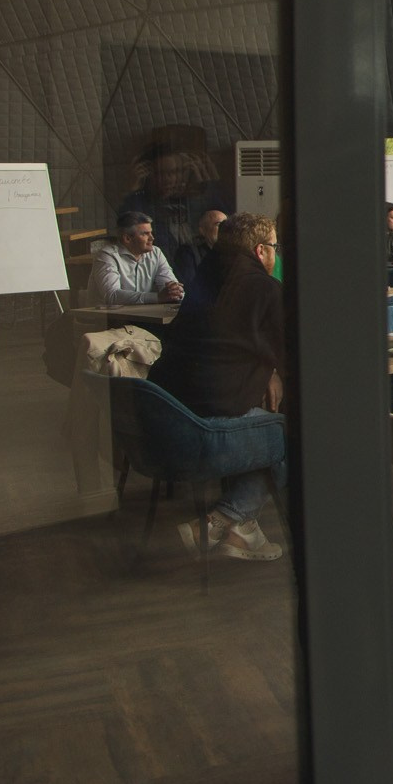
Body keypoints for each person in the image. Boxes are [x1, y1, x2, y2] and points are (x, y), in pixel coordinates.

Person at [147, 213, 289, 562]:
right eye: (274, 247)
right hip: (203, 434)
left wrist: (270, 372)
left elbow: (225, 344)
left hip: (162, 420)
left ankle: (244, 530)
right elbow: (297, 357)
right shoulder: (264, 289)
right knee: (297, 437)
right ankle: (221, 522)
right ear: (260, 251)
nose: (276, 254)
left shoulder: (205, 282)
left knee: (267, 427)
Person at [89, 210, 185, 305]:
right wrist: (158, 297)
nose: (152, 238)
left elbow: (171, 288)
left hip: (142, 316)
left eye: (151, 233)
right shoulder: (107, 255)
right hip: (106, 319)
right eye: (145, 234)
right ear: (127, 238)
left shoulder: (156, 253)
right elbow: (112, 296)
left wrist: (176, 291)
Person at [170, 208, 226, 288]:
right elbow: (190, 286)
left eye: (226, 225)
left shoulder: (232, 254)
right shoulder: (187, 253)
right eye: (219, 225)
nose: (224, 229)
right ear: (202, 230)